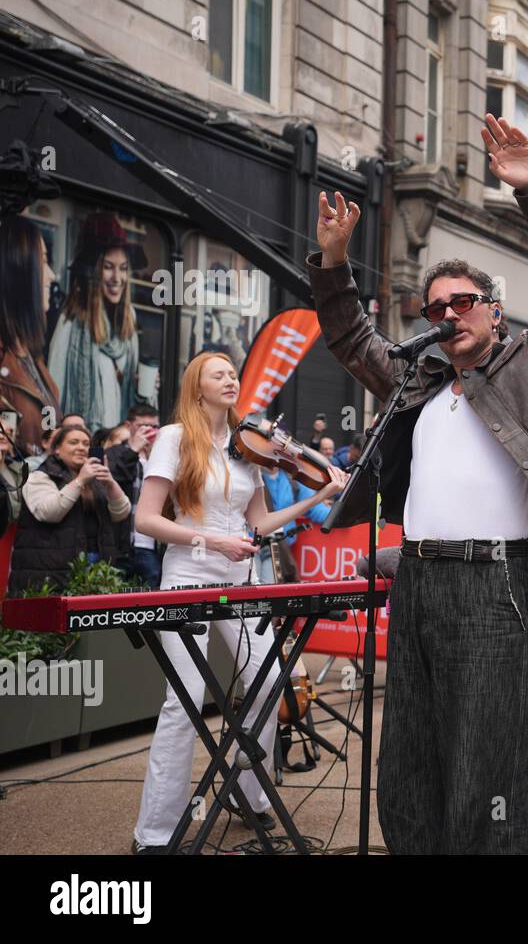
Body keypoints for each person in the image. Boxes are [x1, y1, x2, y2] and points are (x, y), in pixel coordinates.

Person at [309, 112, 528, 855]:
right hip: (417, 583)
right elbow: (347, 337)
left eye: (460, 304)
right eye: (433, 307)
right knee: (407, 755)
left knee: (486, 760)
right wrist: (334, 263)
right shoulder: (416, 378)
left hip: (491, 585)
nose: (445, 316)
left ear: (493, 313)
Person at [129, 352, 347, 853]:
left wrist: (318, 497)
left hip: (241, 577)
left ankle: (247, 795)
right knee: (183, 701)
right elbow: (145, 519)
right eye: (218, 374)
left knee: (271, 680)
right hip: (187, 576)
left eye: (234, 374)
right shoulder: (175, 438)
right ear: (197, 387)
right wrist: (210, 541)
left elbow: (261, 525)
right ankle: (155, 834)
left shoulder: (247, 447)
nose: (230, 379)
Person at [48, 212, 145, 435]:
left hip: (117, 444)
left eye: (123, 268)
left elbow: (127, 395)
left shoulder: (128, 320)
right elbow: (54, 390)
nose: (117, 278)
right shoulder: (73, 319)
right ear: (94, 271)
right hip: (83, 442)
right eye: (108, 266)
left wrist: (143, 386)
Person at [6, 424, 132, 595]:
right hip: (49, 571)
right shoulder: (40, 476)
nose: (81, 447)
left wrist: (110, 483)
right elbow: (49, 512)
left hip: (96, 566)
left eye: (86, 444)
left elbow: (121, 513)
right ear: (57, 449)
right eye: (73, 442)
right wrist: (80, 481)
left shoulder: (96, 480)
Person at [0, 217, 61, 457]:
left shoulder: (32, 359)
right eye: (43, 262)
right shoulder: (6, 363)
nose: (51, 275)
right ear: (21, 274)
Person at [105, 402, 162, 588]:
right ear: (129, 426)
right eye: (143, 426)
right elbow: (115, 481)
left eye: (154, 426)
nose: (149, 431)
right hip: (121, 543)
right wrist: (133, 451)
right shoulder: (114, 453)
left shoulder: (161, 457)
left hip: (151, 544)